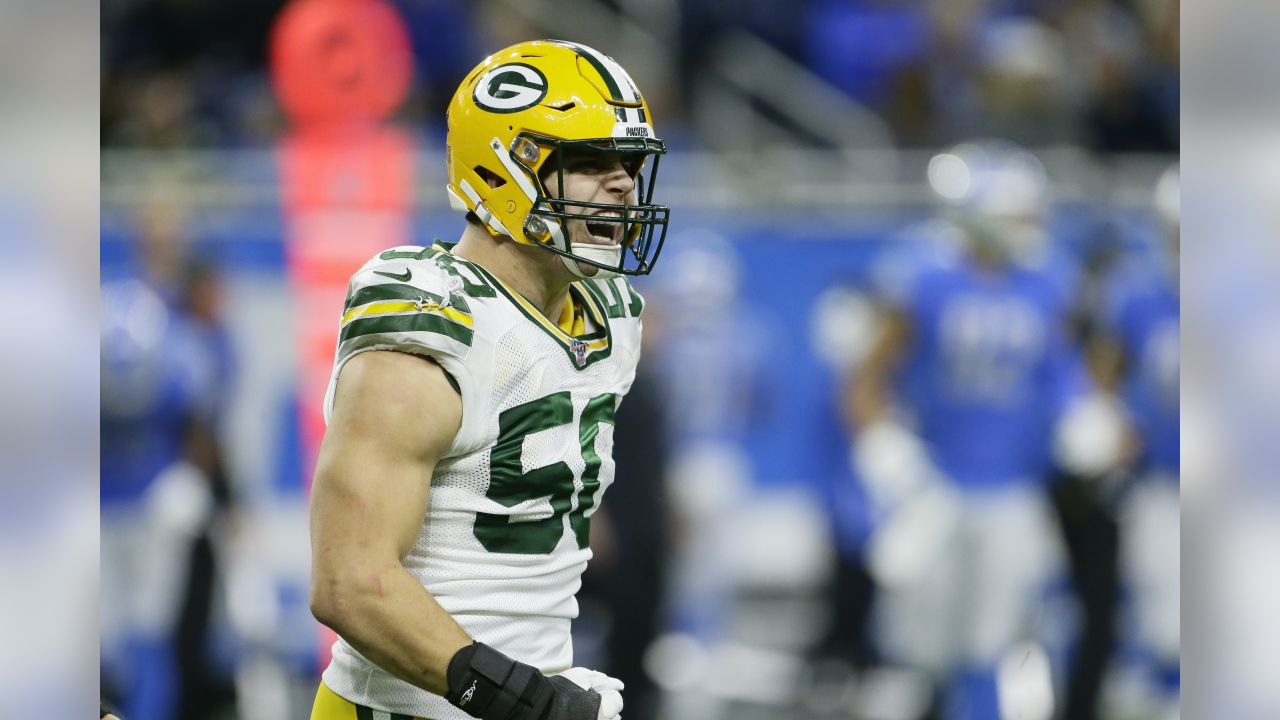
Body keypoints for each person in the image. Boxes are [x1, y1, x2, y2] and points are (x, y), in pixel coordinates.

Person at [306, 40, 670, 720]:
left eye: (627, 163)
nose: (621, 183)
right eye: (589, 162)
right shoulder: (431, 322)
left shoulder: (608, 312)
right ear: (503, 172)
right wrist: (524, 697)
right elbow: (349, 582)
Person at [847, 141, 1078, 720]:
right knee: (915, 648)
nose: (1030, 227)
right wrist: (883, 443)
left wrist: (1084, 416)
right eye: (1016, 215)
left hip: (1013, 487)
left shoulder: (1048, 279)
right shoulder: (923, 274)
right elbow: (867, 379)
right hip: (937, 486)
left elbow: (1063, 371)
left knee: (1000, 644)